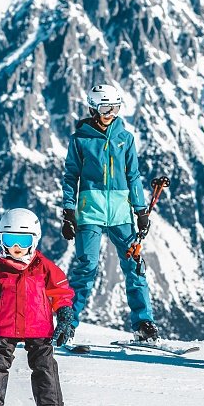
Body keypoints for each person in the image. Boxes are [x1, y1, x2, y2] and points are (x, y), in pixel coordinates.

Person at [61, 83, 158, 341]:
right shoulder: (80, 140)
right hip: (89, 212)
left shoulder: (125, 138)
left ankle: (143, 323)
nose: (111, 113)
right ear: (93, 108)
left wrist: (141, 210)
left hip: (120, 213)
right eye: (105, 108)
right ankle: (67, 323)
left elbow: (133, 175)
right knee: (86, 267)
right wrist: (68, 211)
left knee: (134, 265)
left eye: (115, 108)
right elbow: (71, 176)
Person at [0, 208, 76, 406]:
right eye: (10, 240)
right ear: (2, 240)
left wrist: (64, 317)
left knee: (45, 368)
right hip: (5, 327)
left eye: (22, 240)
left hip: (39, 328)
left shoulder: (44, 267)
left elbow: (61, 293)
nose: (16, 248)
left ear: (34, 240)